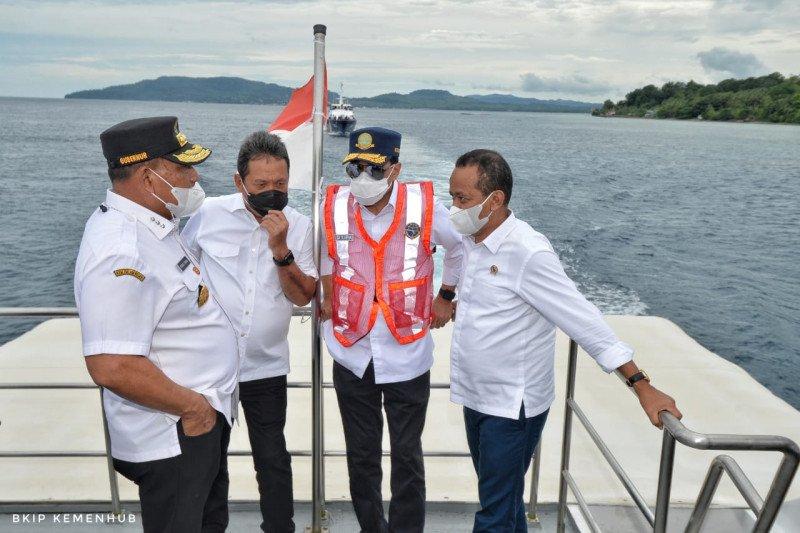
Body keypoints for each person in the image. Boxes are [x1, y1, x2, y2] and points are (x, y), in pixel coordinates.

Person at [446, 149, 683, 532]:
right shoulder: (473, 241)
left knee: (493, 514)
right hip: (477, 397)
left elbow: (583, 319)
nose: (454, 207)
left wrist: (641, 385)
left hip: (512, 407)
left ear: (496, 200)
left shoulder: (527, 252)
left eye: (463, 199)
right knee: (503, 503)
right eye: (452, 196)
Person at [75, 116, 239, 532]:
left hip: (192, 424)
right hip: (173, 433)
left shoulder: (153, 227)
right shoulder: (122, 250)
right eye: (182, 167)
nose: (194, 175)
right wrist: (194, 409)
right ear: (148, 178)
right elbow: (111, 365)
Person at [319, 127, 463, 532]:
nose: (362, 180)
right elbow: (328, 256)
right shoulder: (333, 207)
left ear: (395, 169)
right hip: (353, 352)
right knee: (361, 456)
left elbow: (459, 249)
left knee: (407, 456)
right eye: (355, 169)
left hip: (407, 353)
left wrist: (446, 296)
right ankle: (371, 527)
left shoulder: (425, 208)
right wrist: (327, 294)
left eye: (374, 170)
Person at [182, 131, 317, 533]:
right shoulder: (209, 215)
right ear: (239, 182)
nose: (272, 192)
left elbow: (303, 294)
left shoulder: (301, 226)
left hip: (265, 364)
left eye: (280, 184)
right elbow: (183, 268)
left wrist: (281, 249)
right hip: (210, 366)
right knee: (208, 459)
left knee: (273, 458)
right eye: (261, 185)